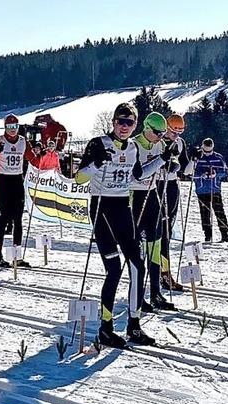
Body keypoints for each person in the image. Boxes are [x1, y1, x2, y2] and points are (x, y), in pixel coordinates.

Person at [75, 103, 176, 347]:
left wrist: (162, 160)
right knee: (114, 269)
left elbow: (138, 175)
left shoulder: (132, 147)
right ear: (113, 122)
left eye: (130, 122)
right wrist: (95, 163)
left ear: (135, 124)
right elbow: (79, 178)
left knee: (137, 266)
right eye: (121, 121)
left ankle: (134, 325)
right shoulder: (98, 143)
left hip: (123, 208)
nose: (124, 127)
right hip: (102, 209)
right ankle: (106, 328)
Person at [131, 112, 178, 312]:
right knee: (139, 249)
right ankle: (138, 295)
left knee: (156, 243)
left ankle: (156, 292)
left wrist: (170, 165)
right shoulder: (134, 145)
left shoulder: (159, 144)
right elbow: (139, 174)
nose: (161, 137)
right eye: (158, 133)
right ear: (147, 128)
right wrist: (161, 160)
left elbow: (162, 166)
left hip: (152, 196)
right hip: (135, 197)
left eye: (163, 133)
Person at [0, 114, 38, 268]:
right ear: (5, 128)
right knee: (1, 221)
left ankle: (17, 257)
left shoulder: (23, 142)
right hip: (3, 182)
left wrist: (42, 154)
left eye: (15, 127)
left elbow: (33, 159)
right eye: (9, 127)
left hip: (17, 182)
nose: (12, 130)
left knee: (18, 221)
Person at [156, 114, 191, 292]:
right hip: (155, 185)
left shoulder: (180, 143)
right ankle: (157, 271)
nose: (176, 135)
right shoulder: (157, 140)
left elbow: (185, 167)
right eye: (173, 131)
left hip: (171, 186)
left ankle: (165, 272)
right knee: (156, 232)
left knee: (167, 232)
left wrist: (194, 160)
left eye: (180, 131)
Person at [192, 138, 228, 242]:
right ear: (202, 148)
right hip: (202, 190)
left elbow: (224, 172)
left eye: (209, 151)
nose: (207, 153)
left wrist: (216, 174)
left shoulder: (218, 157)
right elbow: (191, 174)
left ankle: (225, 234)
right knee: (205, 213)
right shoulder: (196, 158)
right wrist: (201, 175)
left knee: (219, 211)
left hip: (215, 189)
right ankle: (207, 235)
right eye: (205, 151)